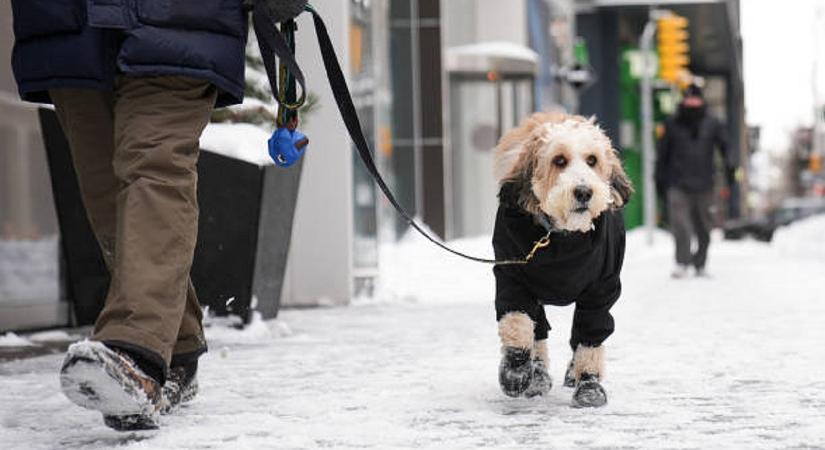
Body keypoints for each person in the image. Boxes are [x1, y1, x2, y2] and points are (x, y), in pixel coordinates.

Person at [10, 1, 249, 430]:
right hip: (69, 22)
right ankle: (177, 346)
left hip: (181, 20)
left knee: (153, 164)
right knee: (104, 188)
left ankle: (134, 350)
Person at [655, 84, 737, 278]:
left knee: (704, 227)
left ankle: (700, 263)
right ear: (683, 100)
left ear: (701, 100)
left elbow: (725, 146)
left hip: (705, 184)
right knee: (681, 225)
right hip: (678, 183)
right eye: (689, 98)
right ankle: (682, 262)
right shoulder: (672, 123)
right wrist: (659, 178)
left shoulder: (712, 123)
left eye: (695, 98)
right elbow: (662, 154)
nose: (692, 102)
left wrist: (730, 166)